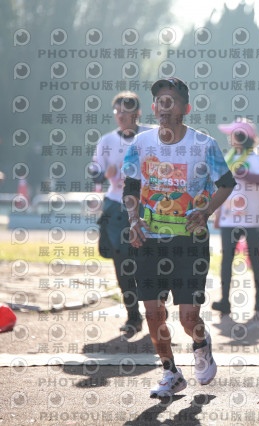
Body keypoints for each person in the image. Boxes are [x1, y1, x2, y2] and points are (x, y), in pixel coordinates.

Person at [121, 77, 235, 398]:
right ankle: (170, 372)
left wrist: (207, 211)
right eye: (161, 102)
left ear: (185, 108)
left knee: (188, 317)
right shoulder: (141, 144)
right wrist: (133, 219)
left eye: (171, 102)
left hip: (189, 242)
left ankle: (200, 343)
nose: (165, 108)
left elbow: (226, 183)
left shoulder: (204, 145)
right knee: (153, 312)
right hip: (148, 241)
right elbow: (130, 187)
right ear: (154, 107)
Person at [91, 91, 152, 337]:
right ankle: (133, 316)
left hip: (148, 205)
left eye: (126, 111)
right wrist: (104, 173)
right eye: (117, 111)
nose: (120, 115)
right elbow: (95, 172)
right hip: (117, 205)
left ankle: (156, 309)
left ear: (137, 113)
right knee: (122, 263)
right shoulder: (107, 141)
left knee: (148, 261)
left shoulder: (152, 136)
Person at [211, 119, 259, 315]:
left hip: (253, 218)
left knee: (254, 257)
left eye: (233, 134)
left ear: (243, 137)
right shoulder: (229, 158)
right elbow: (222, 188)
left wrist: (244, 173)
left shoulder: (254, 158)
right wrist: (218, 213)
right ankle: (224, 301)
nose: (230, 137)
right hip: (229, 218)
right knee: (227, 258)